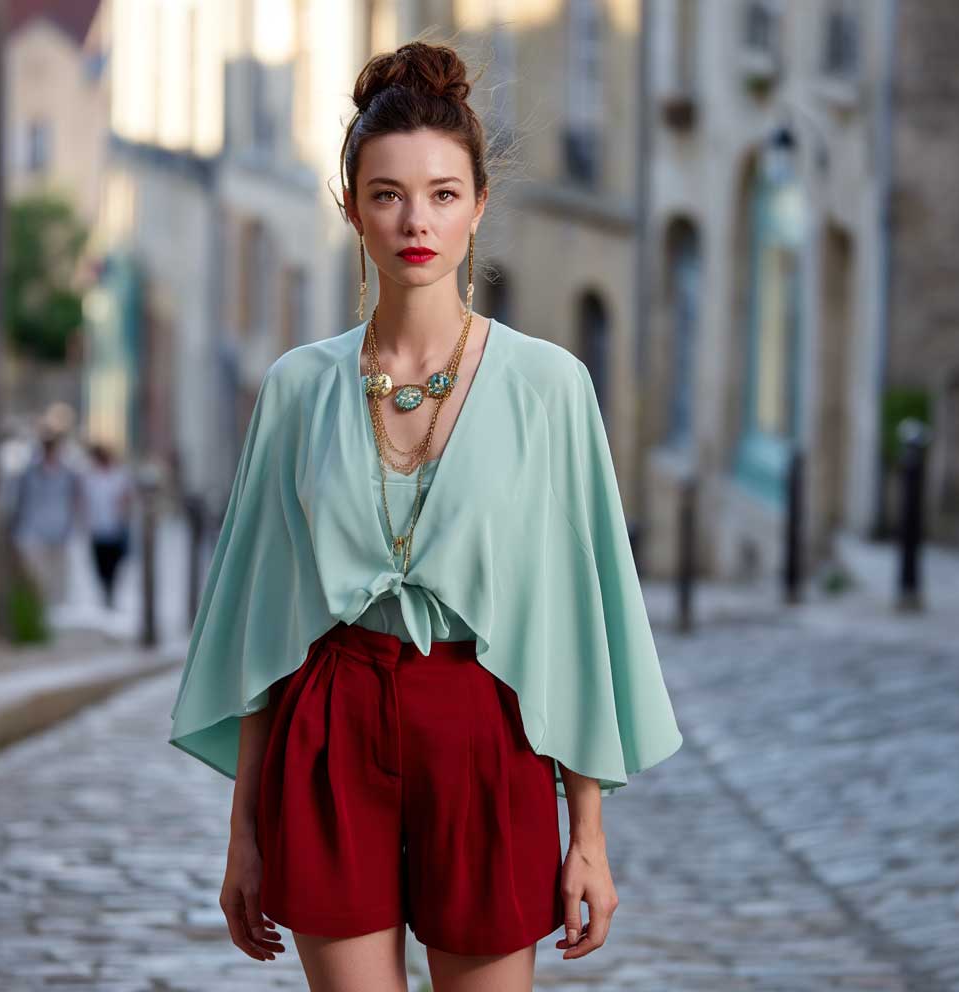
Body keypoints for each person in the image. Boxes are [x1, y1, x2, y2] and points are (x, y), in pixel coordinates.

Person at [168, 40, 683, 991]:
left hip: (486, 727)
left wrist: (590, 837)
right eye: (388, 193)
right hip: (329, 724)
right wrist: (244, 836)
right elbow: (258, 621)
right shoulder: (294, 390)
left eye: (444, 194)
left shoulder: (551, 388)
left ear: (480, 206)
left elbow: (576, 611)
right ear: (351, 209)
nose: (417, 220)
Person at [9, 418, 83, 609]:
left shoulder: (68, 473)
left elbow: (74, 499)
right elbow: (19, 500)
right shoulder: (29, 472)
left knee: (57, 579)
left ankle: (54, 612)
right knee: (36, 577)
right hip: (33, 531)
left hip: (59, 530)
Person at [80, 440, 134, 610]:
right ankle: (105, 592)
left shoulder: (119, 476)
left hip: (115, 528)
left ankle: (110, 593)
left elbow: (126, 498)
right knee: (100, 565)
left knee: (113, 564)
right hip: (97, 529)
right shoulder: (90, 477)